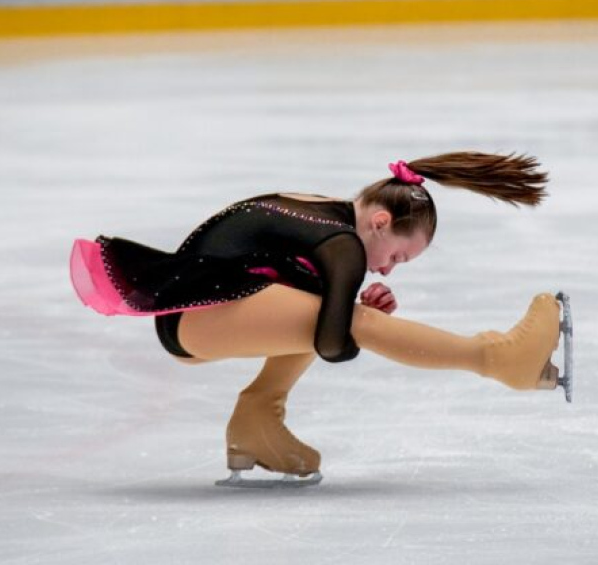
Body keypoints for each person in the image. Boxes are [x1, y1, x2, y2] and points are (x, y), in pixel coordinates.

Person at [70, 151, 568, 483]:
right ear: (380, 222)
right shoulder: (342, 245)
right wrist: (355, 313)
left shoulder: (331, 215)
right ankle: (499, 358)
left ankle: (257, 420)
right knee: (359, 324)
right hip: (195, 317)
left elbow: (284, 284)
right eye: (398, 256)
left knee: (337, 310)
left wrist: (341, 299)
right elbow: (334, 344)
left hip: (196, 312)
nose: (390, 269)